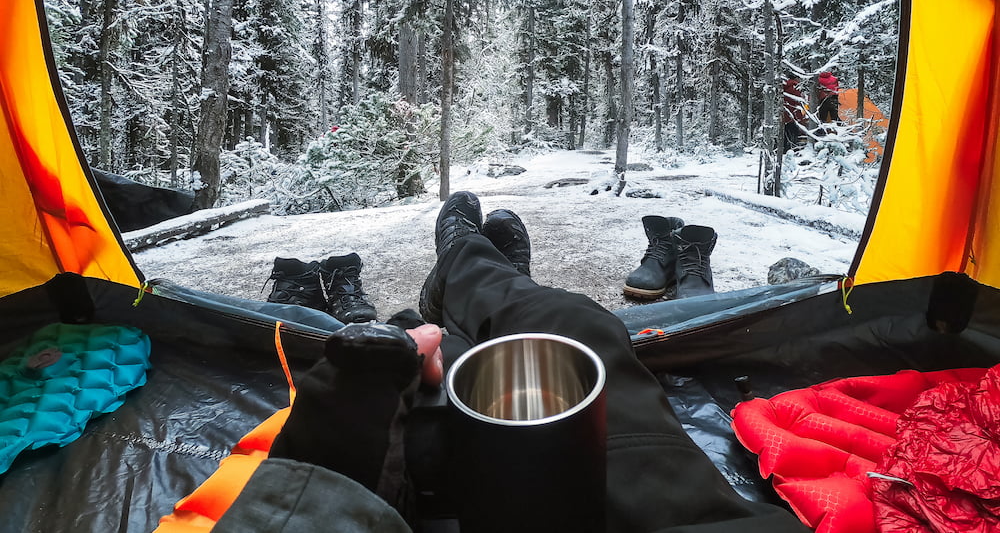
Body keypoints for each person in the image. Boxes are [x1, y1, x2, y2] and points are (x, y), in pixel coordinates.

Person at [216, 192, 809, 532]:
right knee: (578, 326)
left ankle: (463, 262)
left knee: (436, 345)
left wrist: (330, 466)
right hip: (677, 511)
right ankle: (482, 273)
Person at [781, 76, 807, 152]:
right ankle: (793, 147)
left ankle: (784, 147)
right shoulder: (796, 87)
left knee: (786, 131)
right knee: (794, 131)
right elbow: (799, 101)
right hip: (794, 113)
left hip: (785, 113)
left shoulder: (785, 86)